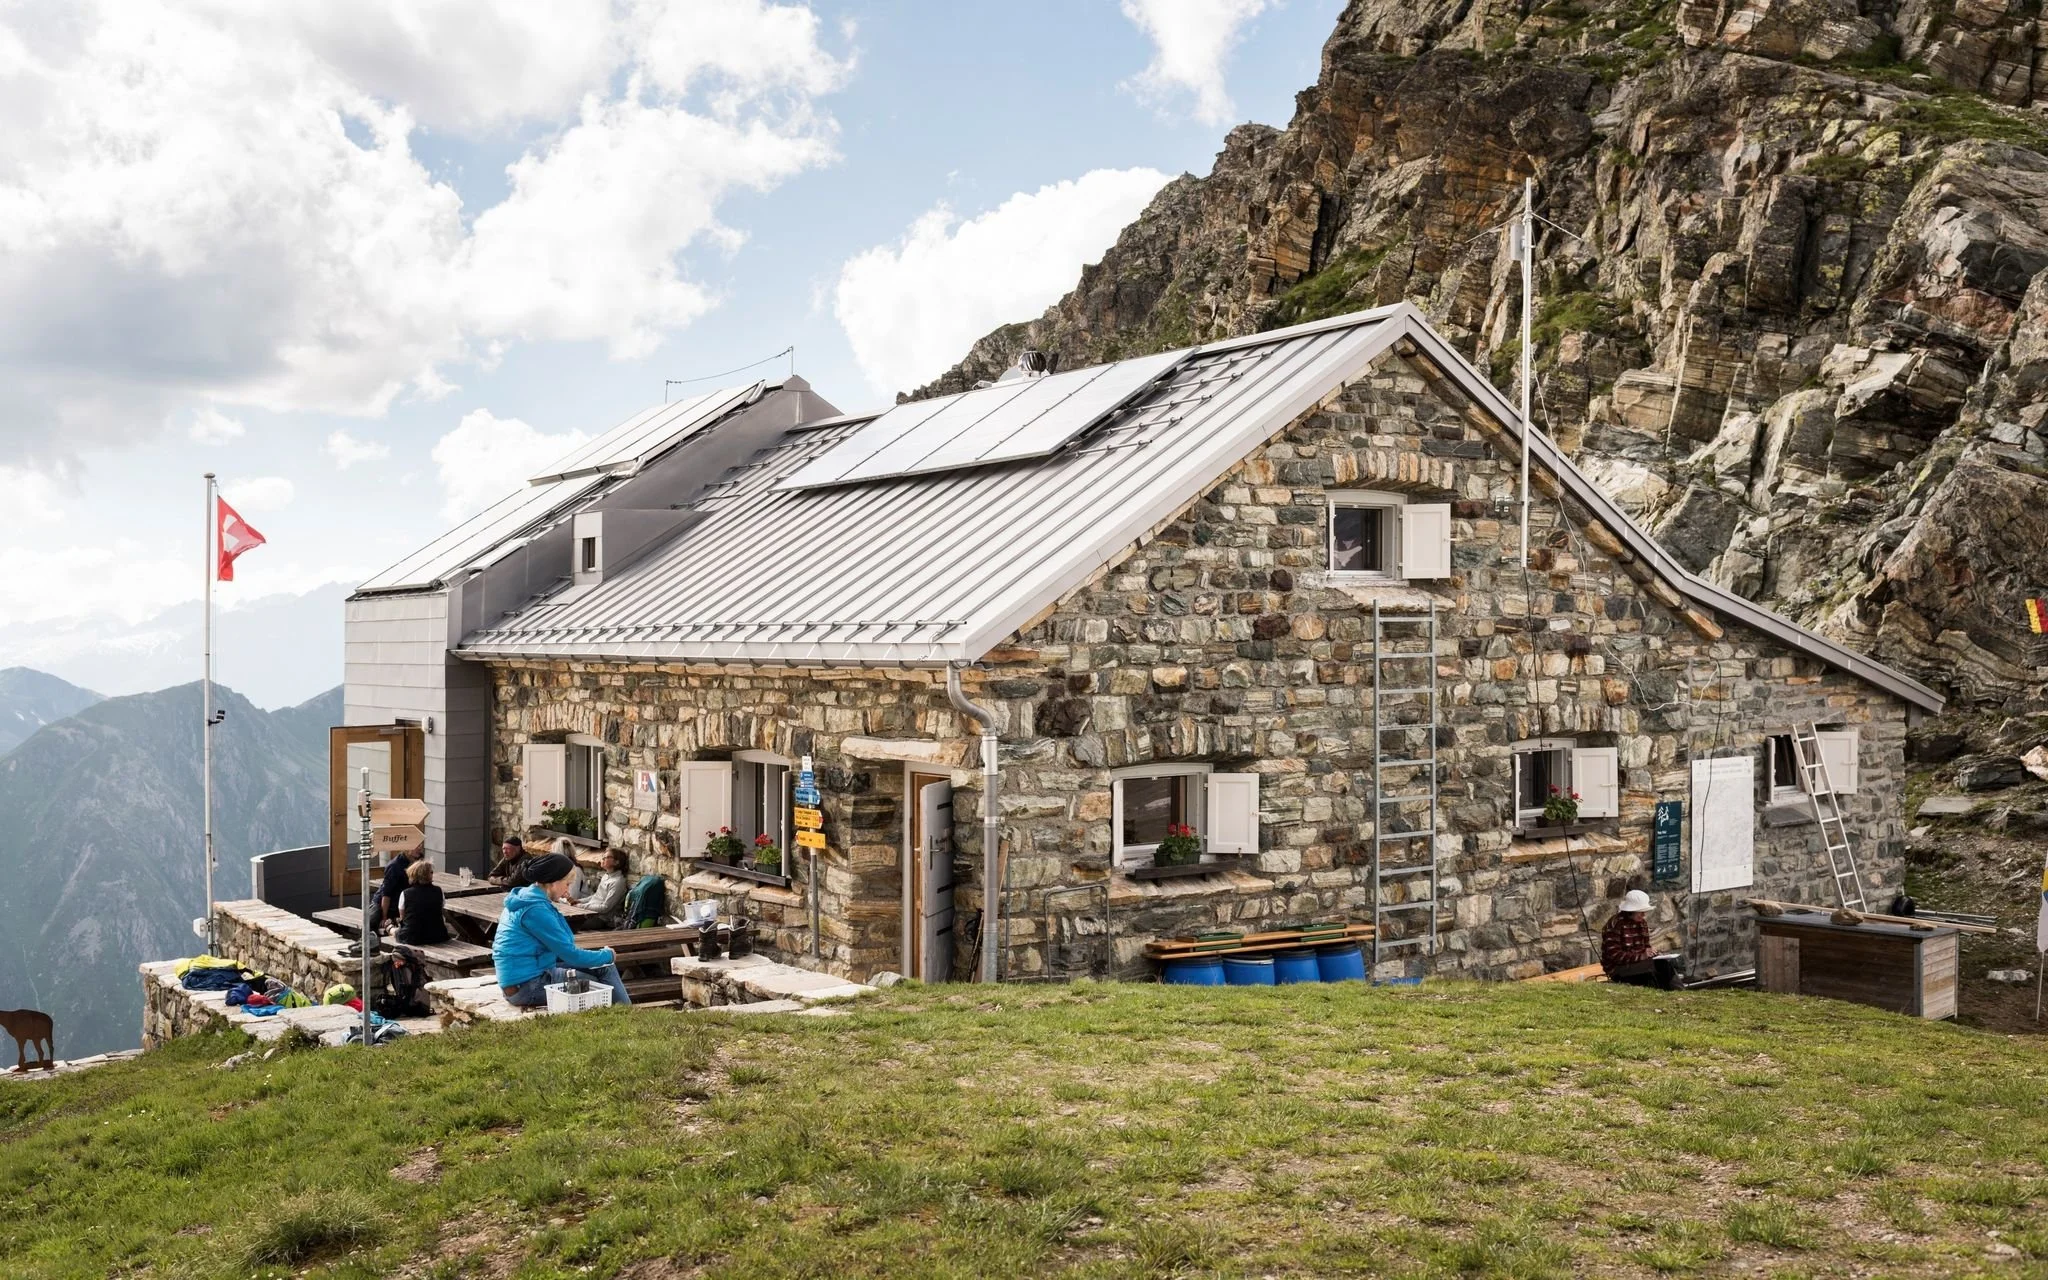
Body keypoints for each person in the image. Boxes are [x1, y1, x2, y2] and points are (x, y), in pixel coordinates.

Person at [493, 852, 631, 1009]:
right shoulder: (535, 910)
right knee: (599, 982)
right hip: (528, 986)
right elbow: (571, 955)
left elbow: (564, 950)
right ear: (553, 883)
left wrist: (602, 958)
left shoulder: (526, 899)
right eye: (567, 884)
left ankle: (625, 1014)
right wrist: (608, 954)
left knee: (602, 969)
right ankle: (626, 1015)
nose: (568, 890)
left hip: (526, 977)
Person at [1600, 888, 1657, 984]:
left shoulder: (1642, 923)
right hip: (1618, 969)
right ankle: (1675, 993)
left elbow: (1645, 946)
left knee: (1664, 964)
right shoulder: (1615, 924)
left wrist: (1650, 951)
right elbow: (1615, 956)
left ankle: (1677, 993)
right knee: (1654, 969)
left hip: (1638, 964)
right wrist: (1641, 957)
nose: (1644, 914)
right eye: (1640, 911)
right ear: (1631, 911)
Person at [396, 857, 450, 945]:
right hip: (437, 936)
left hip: (412, 938)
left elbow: (402, 918)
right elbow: (440, 910)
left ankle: (389, 927)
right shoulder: (438, 891)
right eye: (431, 872)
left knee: (397, 931)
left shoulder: (405, 894)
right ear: (426, 875)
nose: (433, 874)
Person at [574, 848, 631, 930]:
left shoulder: (618, 882)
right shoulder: (606, 876)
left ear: (616, 862)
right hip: (590, 913)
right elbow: (596, 896)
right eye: (603, 857)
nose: (603, 859)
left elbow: (605, 908)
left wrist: (581, 906)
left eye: (607, 857)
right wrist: (579, 901)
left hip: (601, 919)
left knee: (568, 924)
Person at [376, 845, 425, 929]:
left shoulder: (420, 861)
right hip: (390, 906)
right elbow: (386, 894)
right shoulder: (395, 866)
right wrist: (384, 917)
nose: (420, 848)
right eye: (416, 846)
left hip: (408, 904)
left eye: (420, 845)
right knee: (372, 922)